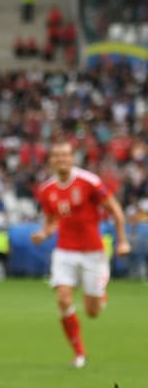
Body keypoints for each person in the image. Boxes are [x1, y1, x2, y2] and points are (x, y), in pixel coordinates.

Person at [31, 141, 131, 367]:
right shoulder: (46, 190)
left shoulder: (89, 182)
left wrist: (122, 241)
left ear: (72, 158)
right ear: (51, 161)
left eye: (65, 155)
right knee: (63, 298)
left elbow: (115, 210)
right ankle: (79, 353)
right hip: (65, 251)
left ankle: (100, 291)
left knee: (92, 312)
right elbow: (51, 221)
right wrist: (43, 234)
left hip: (92, 252)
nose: (61, 159)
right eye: (57, 156)